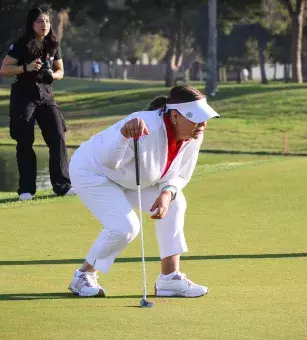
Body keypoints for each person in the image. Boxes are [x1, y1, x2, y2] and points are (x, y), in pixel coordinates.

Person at [68, 85, 220, 298]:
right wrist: (123, 135)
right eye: (196, 118)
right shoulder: (142, 124)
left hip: (131, 177)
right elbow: (110, 162)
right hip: (93, 172)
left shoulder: (194, 134)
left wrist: (167, 193)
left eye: (204, 118)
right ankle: (83, 276)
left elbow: (181, 174)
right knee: (125, 228)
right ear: (175, 116)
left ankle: (169, 278)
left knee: (175, 202)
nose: (203, 124)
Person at [0, 6, 76, 200]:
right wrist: (26, 67)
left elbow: (61, 71)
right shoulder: (21, 44)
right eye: (40, 22)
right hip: (23, 96)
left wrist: (53, 75)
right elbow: (4, 69)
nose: (45, 25)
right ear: (32, 24)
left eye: (48, 22)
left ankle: (62, 186)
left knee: (58, 136)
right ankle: (26, 190)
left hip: (46, 95)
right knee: (24, 142)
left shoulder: (52, 43)